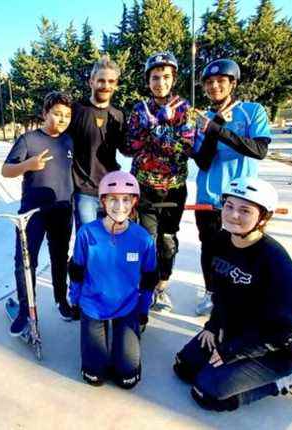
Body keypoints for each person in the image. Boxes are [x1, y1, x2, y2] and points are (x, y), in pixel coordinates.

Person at [173, 177, 292, 412]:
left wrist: (232, 351)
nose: (233, 216)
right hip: (236, 330)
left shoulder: (276, 264)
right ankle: (226, 368)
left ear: (263, 218)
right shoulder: (219, 242)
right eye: (229, 206)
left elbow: (288, 335)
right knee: (184, 367)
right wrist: (213, 325)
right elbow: (221, 291)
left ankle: (287, 379)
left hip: (276, 347)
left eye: (245, 210)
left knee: (206, 393)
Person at [192, 58, 271, 316]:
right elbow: (202, 160)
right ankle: (210, 293)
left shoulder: (252, 111)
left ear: (232, 83)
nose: (214, 86)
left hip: (243, 198)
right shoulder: (203, 118)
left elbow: (259, 150)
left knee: (245, 249)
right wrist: (213, 126)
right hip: (210, 197)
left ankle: (241, 297)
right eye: (209, 83)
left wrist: (220, 129)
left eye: (220, 81)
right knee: (210, 249)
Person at [120, 51, 195, 312]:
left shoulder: (184, 109)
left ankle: (162, 286)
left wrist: (156, 132)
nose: (159, 82)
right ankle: (146, 287)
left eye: (165, 77)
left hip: (173, 189)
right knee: (146, 239)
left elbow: (185, 147)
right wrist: (154, 128)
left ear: (173, 78)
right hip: (145, 187)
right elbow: (129, 146)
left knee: (166, 240)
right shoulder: (139, 109)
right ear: (148, 80)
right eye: (154, 77)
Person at [69, 171, 157, 388]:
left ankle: (122, 340)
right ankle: (98, 339)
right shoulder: (87, 233)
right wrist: (75, 299)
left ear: (134, 201)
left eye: (126, 199)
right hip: (93, 306)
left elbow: (148, 279)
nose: (120, 206)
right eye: (113, 199)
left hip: (127, 305)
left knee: (127, 377)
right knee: (94, 376)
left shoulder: (143, 238)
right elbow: (77, 270)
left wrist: (144, 309)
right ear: (103, 201)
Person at [1, 91, 76, 336]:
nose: (62, 119)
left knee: (59, 257)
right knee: (25, 262)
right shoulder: (28, 140)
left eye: (66, 115)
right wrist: (28, 165)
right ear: (45, 113)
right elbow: (6, 170)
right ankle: (25, 310)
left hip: (62, 209)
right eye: (56, 113)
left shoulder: (68, 141)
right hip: (32, 214)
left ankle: (61, 300)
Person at [67, 55, 124, 228]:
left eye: (111, 81)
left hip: (111, 190)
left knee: (110, 241)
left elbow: (126, 148)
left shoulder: (118, 115)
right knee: (89, 243)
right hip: (83, 191)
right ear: (91, 82)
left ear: (115, 85)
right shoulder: (75, 110)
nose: (106, 86)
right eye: (101, 80)